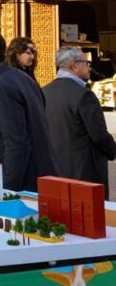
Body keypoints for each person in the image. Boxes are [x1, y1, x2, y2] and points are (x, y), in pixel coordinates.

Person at [0, 29, 58, 192]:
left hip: (24, 186)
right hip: (38, 176)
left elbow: (16, 144)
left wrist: (7, 191)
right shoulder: (21, 78)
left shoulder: (3, 87)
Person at [43, 47, 116, 194]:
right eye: (86, 63)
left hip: (53, 169)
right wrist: (113, 150)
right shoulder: (84, 95)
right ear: (75, 65)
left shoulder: (44, 91)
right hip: (84, 172)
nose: (89, 67)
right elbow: (99, 135)